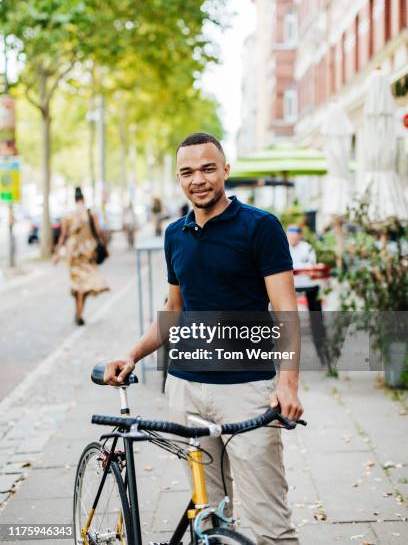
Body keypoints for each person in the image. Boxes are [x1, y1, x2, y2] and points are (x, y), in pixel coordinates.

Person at [104, 133, 302, 544]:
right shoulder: (174, 234)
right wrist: (133, 354)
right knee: (208, 519)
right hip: (186, 392)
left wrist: (287, 383)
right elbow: (173, 310)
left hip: (246, 392)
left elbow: (286, 310)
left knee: (269, 525)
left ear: (226, 170)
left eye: (208, 168)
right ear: (178, 178)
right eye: (187, 171)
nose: (199, 179)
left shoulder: (260, 228)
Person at [53, 187, 110, 325]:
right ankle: (79, 312)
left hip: (72, 253)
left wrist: (56, 253)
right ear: (83, 199)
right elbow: (98, 230)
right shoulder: (90, 212)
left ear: (74, 199)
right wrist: (105, 245)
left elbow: (63, 236)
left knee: (77, 284)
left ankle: (78, 311)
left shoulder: (68, 215)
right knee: (85, 284)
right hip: (87, 253)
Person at [286, 225, 327, 365]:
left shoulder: (307, 247)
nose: (292, 238)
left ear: (300, 235)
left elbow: (312, 267)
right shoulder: (283, 247)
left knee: (316, 317)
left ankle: (322, 350)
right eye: (290, 235)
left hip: (309, 285)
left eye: (295, 235)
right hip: (291, 285)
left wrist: (299, 269)